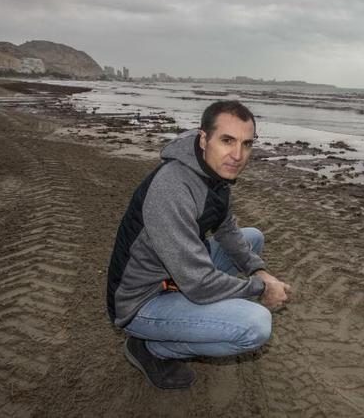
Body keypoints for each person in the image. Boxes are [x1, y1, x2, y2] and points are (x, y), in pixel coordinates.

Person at [106, 100, 291, 389]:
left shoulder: (212, 172)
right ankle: (150, 348)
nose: (238, 155)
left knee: (252, 238)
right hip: (141, 299)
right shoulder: (173, 187)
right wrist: (260, 289)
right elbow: (200, 284)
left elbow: (227, 228)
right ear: (204, 138)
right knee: (254, 325)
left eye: (247, 144)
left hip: (174, 276)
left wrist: (259, 271)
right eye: (227, 140)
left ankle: (192, 319)